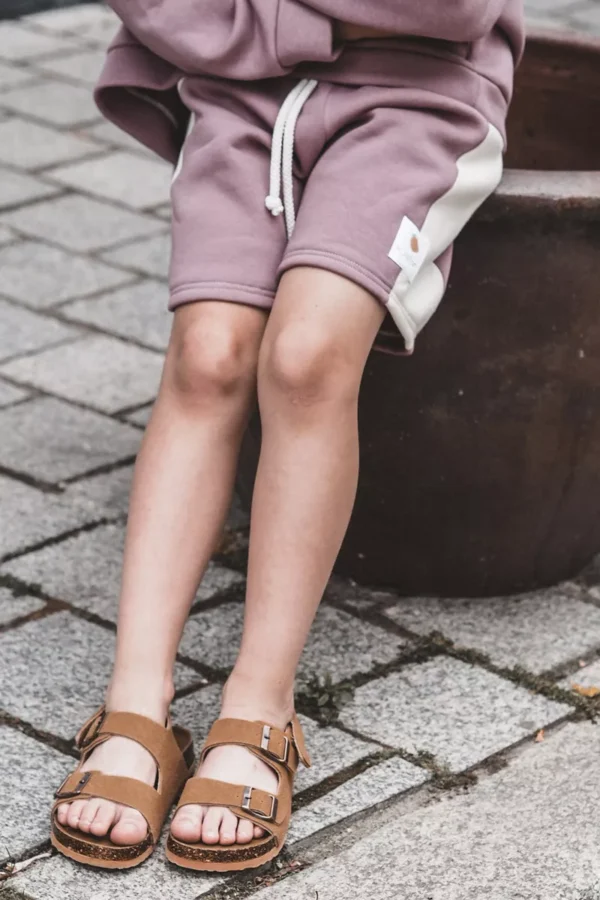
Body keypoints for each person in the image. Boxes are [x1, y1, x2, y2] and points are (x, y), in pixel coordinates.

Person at [50, 0, 525, 873]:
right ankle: (136, 702)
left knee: (306, 358)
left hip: (418, 99)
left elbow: (449, 10)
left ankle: (260, 705)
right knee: (207, 358)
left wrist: (262, 12)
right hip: (238, 88)